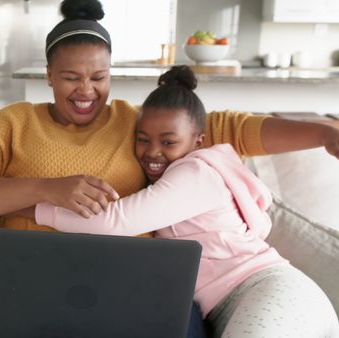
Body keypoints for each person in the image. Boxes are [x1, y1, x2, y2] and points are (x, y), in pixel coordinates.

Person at [0, 0, 339, 335]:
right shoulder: (12, 122)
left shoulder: (137, 124)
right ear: (48, 76)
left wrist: (322, 133)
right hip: (33, 284)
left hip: (135, 285)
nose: (86, 90)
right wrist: (46, 188)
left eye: (99, 77)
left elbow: (225, 128)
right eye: (70, 78)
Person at [32, 65, 339, 337]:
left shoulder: (195, 173)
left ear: (198, 141)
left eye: (168, 141)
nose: (153, 152)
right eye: (143, 139)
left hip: (270, 291)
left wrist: (33, 206)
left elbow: (114, 221)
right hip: (232, 306)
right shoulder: (166, 181)